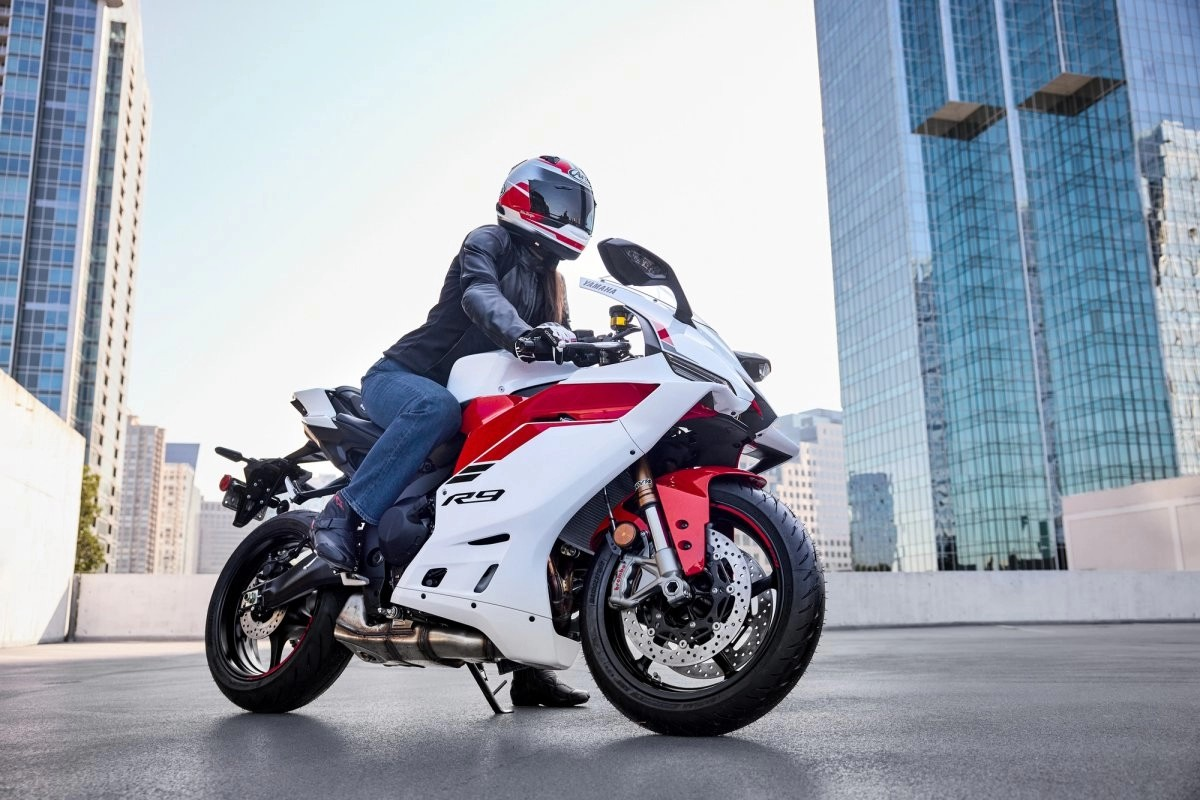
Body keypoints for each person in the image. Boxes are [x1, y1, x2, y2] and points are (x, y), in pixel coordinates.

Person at [309, 155, 596, 707]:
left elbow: (558, 341)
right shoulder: (486, 241)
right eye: (562, 203)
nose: (572, 217)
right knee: (434, 408)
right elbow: (479, 297)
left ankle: (529, 670)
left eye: (578, 208)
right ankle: (343, 512)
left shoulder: (553, 283)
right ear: (527, 198)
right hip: (405, 381)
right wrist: (520, 335)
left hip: (483, 404)